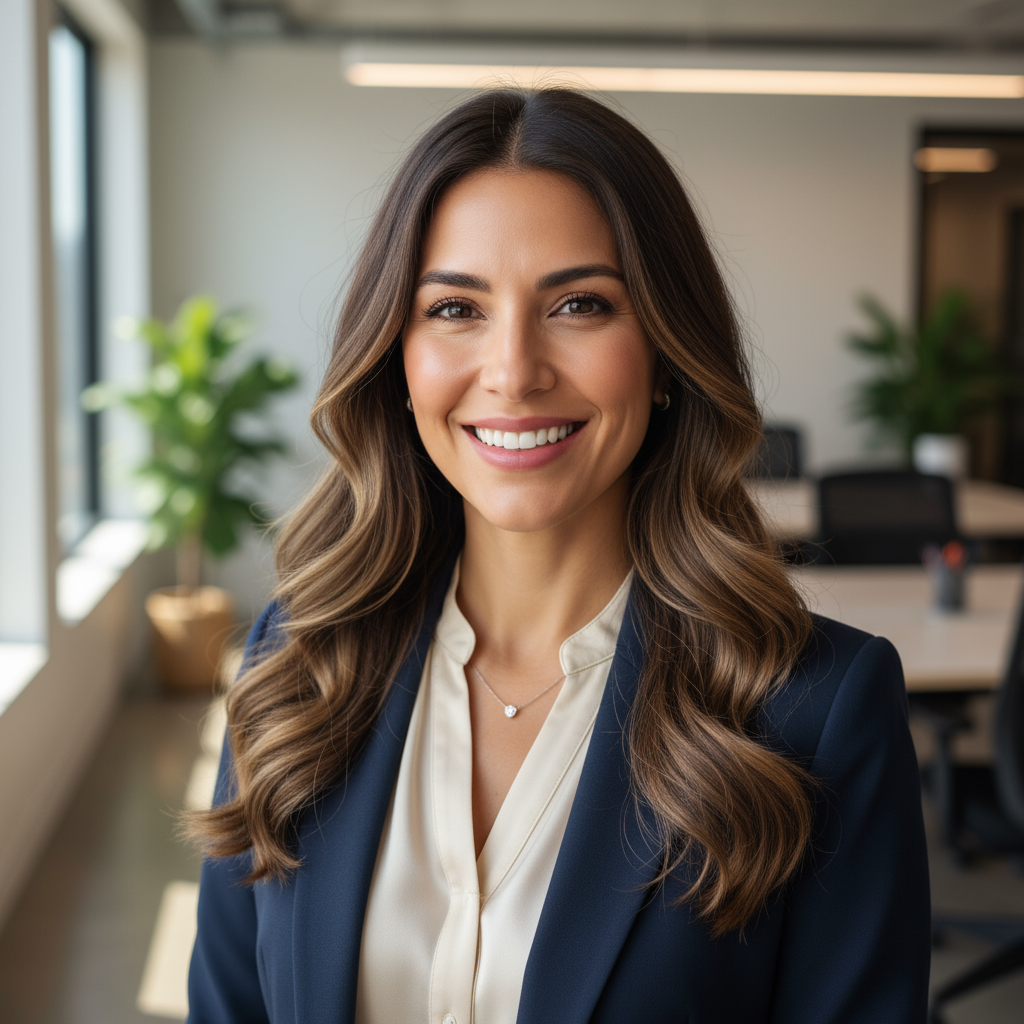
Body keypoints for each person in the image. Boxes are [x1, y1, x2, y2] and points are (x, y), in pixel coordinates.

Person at [186, 88, 931, 1024]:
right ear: (397, 357)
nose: (513, 370)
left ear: (663, 351)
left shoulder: (814, 711)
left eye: (580, 304)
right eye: (456, 307)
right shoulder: (296, 665)